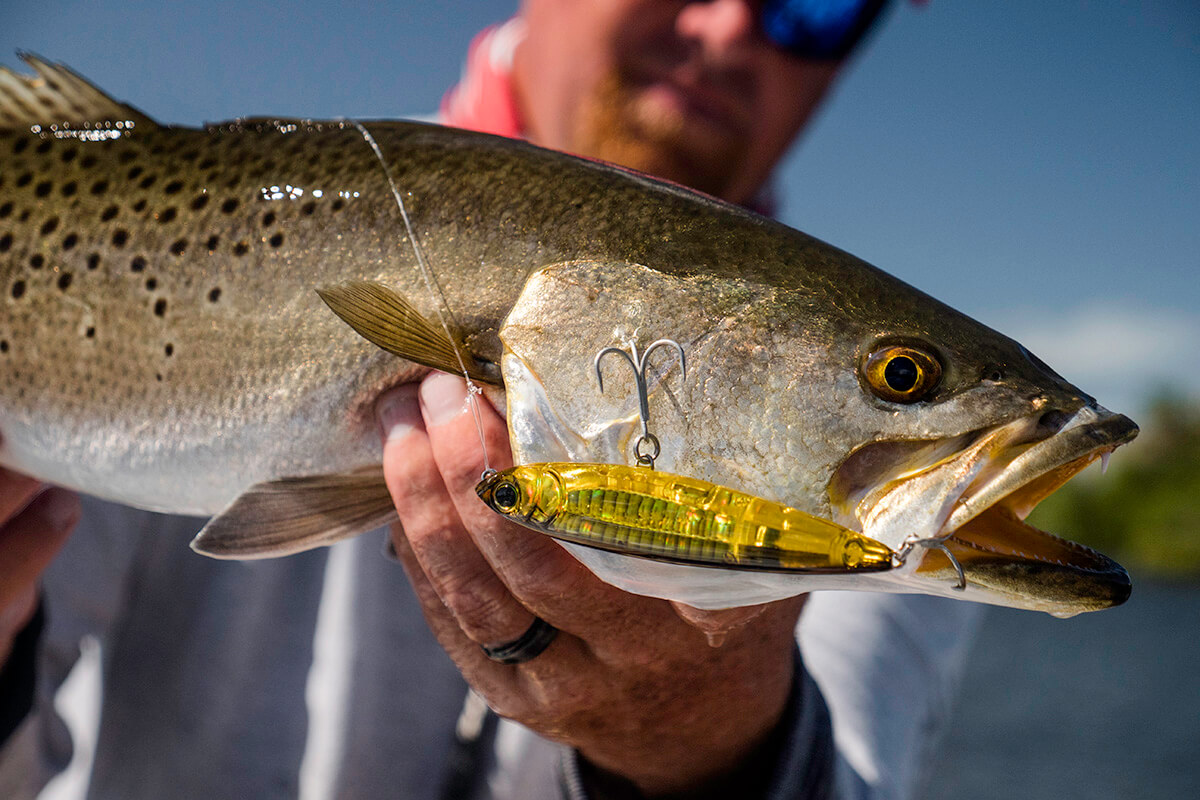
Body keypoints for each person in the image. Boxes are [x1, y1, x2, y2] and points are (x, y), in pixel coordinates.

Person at [0, 2, 979, 798]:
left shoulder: (898, 479)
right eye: (899, 376)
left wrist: (714, 749)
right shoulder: (209, 222)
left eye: (820, 9)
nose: (729, 28)